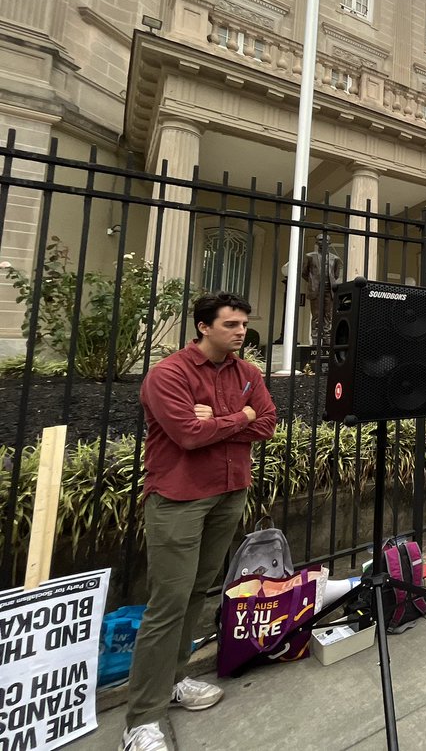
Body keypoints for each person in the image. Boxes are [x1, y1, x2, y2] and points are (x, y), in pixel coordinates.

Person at [122, 293, 278, 751]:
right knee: (167, 603)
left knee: (196, 592)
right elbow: (188, 435)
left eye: (244, 324)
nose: (240, 331)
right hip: (179, 498)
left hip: (230, 493)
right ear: (204, 327)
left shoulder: (247, 373)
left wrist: (228, 418)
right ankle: (141, 720)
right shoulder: (168, 375)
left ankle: (175, 679)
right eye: (231, 324)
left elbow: (266, 423)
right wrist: (241, 417)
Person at [301, 234, 342, 346]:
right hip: (316, 289)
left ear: (329, 243)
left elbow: (336, 275)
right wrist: (313, 282)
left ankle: (327, 338)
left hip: (329, 289)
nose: (322, 242)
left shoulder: (335, 259)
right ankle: (315, 338)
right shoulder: (310, 256)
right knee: (316, 315)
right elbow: (304, 273)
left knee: (328, 315)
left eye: (325, 240)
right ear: (316, 242)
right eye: (320, 240)